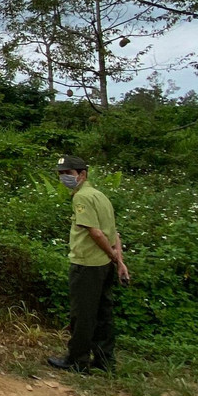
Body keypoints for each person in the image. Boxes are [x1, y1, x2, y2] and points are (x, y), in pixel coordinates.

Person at [47, 155, 130, 373]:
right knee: (103, 314)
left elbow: (96, 232)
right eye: (61, 174)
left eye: (68, 173)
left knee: (83, 315)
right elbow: (115, 233)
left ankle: (77, 360)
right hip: (104, 266)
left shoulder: (81, 198)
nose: (64, 178)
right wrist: (118, 261)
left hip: (87, 266)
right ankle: (105, 361)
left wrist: (114, 257)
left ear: (82, 174)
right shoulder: (100, 196)